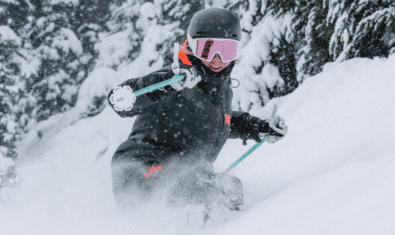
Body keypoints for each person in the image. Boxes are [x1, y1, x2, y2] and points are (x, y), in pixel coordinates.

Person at [107, 8, 287, 213]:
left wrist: (259, 127)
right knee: (208, 189)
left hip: (182, 174)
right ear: (192, 46)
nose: (217, 58)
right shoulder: (175, 79)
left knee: (226, 188)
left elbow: (222, 121)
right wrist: (166, 83)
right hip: (142, 168)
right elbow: (120, 100)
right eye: (207, 49)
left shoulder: (221, 90)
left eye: (226, 51)